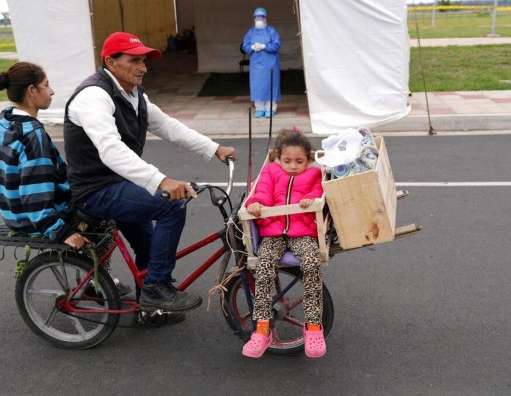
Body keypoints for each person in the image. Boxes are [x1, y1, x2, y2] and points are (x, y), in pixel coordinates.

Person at [63, 32, 237, 315]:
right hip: (95, 191)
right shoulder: (94, 96)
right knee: (172, 205)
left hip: (120, 186)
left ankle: (150, 309)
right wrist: (161, 181)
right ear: (110, 61)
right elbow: (111, 150)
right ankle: (157, 288)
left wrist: (213, 148)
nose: (143, 68)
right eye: (134, 61)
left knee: (150, 247)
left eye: (144, 61)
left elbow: (168, 126)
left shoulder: (133, 94)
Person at [242, 128, 326, 358]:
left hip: (302, 233)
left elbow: (319, 192)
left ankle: (313, 327)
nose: (292, 166)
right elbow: (263, 191)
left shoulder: (314, 176)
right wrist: (257, 202)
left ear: (308, 160)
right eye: (287, 160)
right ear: (279, 157)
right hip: (274, 232)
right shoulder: (271, 171)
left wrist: (313, 199)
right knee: (264, 266)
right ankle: (262, 328)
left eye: (299, 161)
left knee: (311, 265)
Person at [0, 62, 90, 250]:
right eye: (46, 85)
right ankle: (95, 278)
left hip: (13, 214)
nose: (52, 91)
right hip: (34, 220)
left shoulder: (5, 123)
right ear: (32, 90)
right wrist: (59, 231)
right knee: (105, 219)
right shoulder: (32, 135)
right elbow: (35, 191)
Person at [242, 7, 281, 119]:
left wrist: (265, 46)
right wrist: (252, 47)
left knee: (270, 85)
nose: (259, 19)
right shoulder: (250, 32)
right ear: (254, 18)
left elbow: (277, 44)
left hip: (270, 64)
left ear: (265, 18)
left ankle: (270, 108)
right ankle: (259, 108)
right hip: (256, 66)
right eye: (257, 17)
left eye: (261, 17)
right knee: (257, 86)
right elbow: (245, 45)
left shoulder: (271, 31)